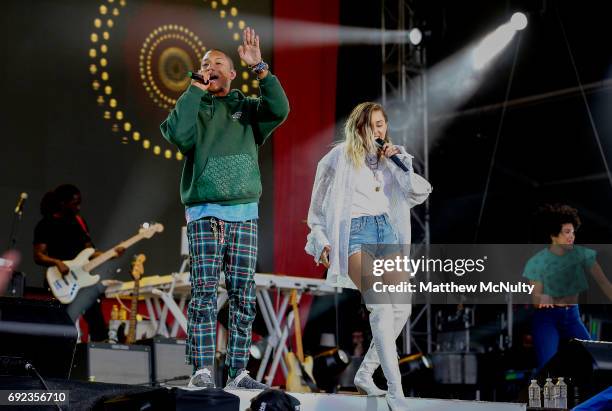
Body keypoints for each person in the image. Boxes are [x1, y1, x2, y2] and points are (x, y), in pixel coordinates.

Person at [160, 27, 289, 390]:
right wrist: (194, 90)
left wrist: (260, 68)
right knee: (203, 291)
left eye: (218, 63)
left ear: (232, 73)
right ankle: (201, 368)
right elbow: (178, 134)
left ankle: (238, 372)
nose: (210, 66)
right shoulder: (194, 106)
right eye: (204, 63)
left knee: (243, 294)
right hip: (203, 213)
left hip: (244, 212)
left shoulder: (246, 108)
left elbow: (280, 108)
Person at [305, 102, 431, 410]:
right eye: (372, 124)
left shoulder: (394, 157)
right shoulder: (337, 158)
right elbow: (316, 210)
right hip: (355, 236)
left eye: (381, 124)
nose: (378, 130)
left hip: (385, 232)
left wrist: (399, 162)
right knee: (381, 310)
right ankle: (395, 390)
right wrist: (320, 239)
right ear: (358, 127)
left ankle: (365, 373)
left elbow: (418, 192)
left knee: (401, 309)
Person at [523, 204, 612, 369]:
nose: (572, 236)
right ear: (553, 235)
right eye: (567, 232)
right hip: (547, 319)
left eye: (573, 232)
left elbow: (603, 283)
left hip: (572, 317)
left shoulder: (582, 255)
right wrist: (542, 297)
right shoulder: (536, 262)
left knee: (596, 362)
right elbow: (536, 299)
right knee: (547, 367)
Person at [33, 184, 124, 342]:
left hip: (83, 280)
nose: (79, 207)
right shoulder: (45, 224)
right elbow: (38, 255)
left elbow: (90, 251)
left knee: (97, 324)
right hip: (60, 281)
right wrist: (57, 262)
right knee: (61, 326)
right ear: (62, 203)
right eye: (75, 203)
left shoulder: (79, 222)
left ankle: (97, 353)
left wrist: (111, 254)